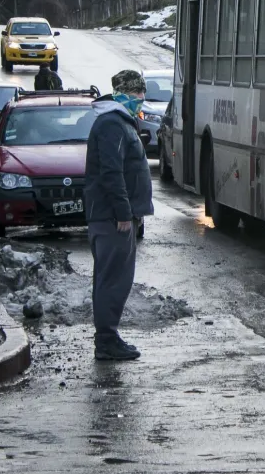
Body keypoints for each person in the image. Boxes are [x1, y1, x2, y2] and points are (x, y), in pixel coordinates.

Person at [83, 69, 154, 361]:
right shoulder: (112, 125)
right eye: (138, 93)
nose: (141, 99)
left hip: (112, 216)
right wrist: (124, 213)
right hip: (113, 219)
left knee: (110, 279)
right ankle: (107, 341)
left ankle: (108, 338)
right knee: (113, 280)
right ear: (123, 93)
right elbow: (112, 174)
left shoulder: (119, 122)